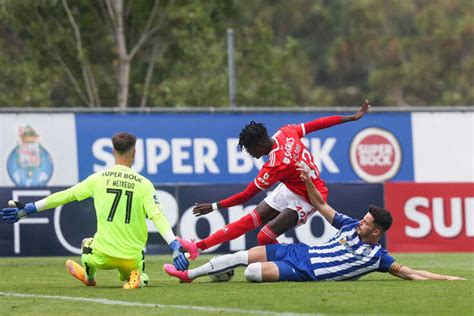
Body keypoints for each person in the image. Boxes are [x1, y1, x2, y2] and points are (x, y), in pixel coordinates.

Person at [163, 162, 465, 283]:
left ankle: (221, 274)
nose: (361, 222)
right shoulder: (348, 225)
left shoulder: (378, 258)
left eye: (367, 221)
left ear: (377, 231)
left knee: (252, 273)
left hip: (306, 271)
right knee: (242, 255)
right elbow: (320, 204)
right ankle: (189, 274)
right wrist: (307, 181)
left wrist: (449, 280)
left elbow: (412, 273)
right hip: (300, 252)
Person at [180, 100, 371, 259]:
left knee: (264, 237)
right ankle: (199, 247)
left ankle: (297, 260)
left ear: (261, 144)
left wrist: (214, 206)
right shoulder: (285, 132)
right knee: (249, 221)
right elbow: (318, 124)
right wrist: (351, 118)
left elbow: (245, 196)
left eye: (250, 149)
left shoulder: (275, 166)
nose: (250, 154)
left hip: (310, 196)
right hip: (292, 186)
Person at [0, 132, 190, 289]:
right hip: (131, 256)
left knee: (86, 243)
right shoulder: (144, 184)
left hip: (103, 256)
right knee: (136, 269)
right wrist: (173, 245)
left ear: (113, 151)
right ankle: (137, 277)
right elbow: (158, 216)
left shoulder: (98, 179)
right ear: (135, 152)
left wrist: (28, 209)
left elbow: (65, 196)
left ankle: (90, 278)